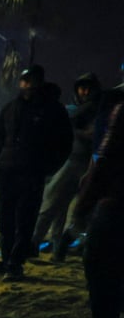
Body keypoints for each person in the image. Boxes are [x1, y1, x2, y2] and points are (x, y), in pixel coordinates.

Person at [0, 65, 72, 280]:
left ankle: (16, 263)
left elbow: (64, 143)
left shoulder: (52, 109)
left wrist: (47, 168)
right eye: (24, 80)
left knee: (24, 220)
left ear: (40, 82)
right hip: (6, 172)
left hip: (31, 173)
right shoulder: (11, 108)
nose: (27, 85)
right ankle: (6, 259)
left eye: (32, 81)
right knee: (5, 220)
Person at [67, 89, 124, 318]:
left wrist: (83, 205)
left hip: (117, 201)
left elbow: (107, 158)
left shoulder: (119, 107)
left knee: (101, 268)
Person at [36, 73, 103, 261]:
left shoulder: (99, 111)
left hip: (87, 164)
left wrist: (74, 130)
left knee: (80, 211)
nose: (85, 91)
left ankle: (49, 245)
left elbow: (95, 135)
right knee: (55, 205)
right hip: (69, 161)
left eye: (89, 88)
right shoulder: (75, 110)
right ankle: (51, 243)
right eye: (82, 88)